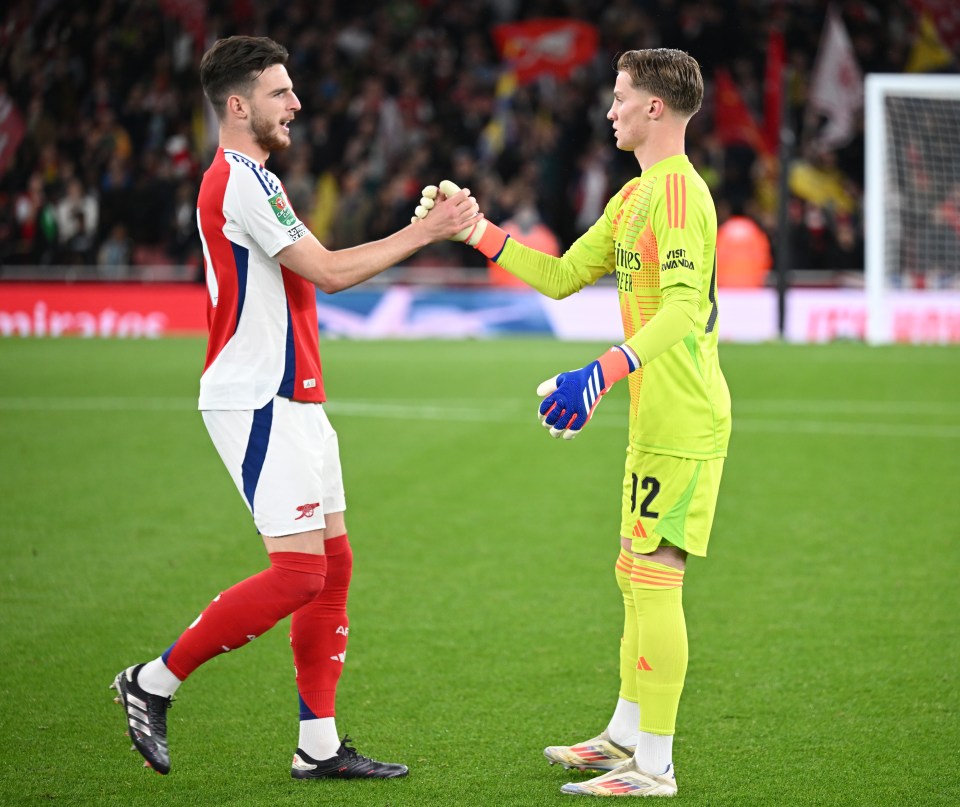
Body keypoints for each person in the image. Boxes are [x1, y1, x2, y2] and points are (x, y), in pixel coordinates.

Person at [110, 35, 478, 781]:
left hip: (297, 397)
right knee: (298, 574)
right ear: (239, 105)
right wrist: (427, 232)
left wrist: (412, 233)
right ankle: (152, 680)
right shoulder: (238, 181)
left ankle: (317, 744)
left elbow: (326, 266)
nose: (297, 104)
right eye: (281, 92)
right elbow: (334, 274)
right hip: (256, 398)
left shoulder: (257, 179)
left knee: (332, 566)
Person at [417, 48, 730, 797]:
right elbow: (559, 278)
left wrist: (604, 369)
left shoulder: (680, 197)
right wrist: (475, 230)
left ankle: (655, 766)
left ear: (656, 107)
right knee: (632, 571)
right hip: (654, 416)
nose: (611, 108)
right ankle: (624, 734)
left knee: (656, 578)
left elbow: (685, 310)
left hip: (683, 417)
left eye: (621, 96)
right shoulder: (634, 198)